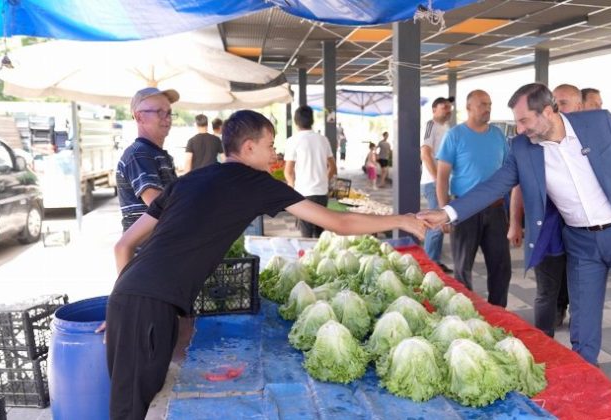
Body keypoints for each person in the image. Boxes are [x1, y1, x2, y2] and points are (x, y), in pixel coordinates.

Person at [101, 110, 426, 419]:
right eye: (270, 145)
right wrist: (405, 220)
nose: (274, 153)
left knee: (140, 401)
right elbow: (336, 222)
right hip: (148, 306)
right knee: (130, 411)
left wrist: (122, 305)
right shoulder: (255, 182)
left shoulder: (188, 181)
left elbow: (123, 245)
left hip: (133, 297)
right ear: (248, 147)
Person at [418, 83, 611, 411]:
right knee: (583, 332)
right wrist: (447, 211)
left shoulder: (601, 122)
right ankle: (585, 404)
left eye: (524, 121)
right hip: (581, 244)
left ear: (549, 111)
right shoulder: (523, 147)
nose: (518, 129)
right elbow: (494, 184)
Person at [508, 83, 583, 336]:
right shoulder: (530, 143)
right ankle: (544, 342)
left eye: (562, 103)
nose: (556, 107)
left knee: (581, 290)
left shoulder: (587, 141)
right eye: (554, 102)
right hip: (548, 232)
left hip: (582, 234)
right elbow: (515, 185)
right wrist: (514, 223)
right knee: (546, 291)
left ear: (578, 107)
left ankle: (583, 347)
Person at [436, 89, 511, 307]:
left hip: (496, 210)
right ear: (468, 108)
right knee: (462, 267)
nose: (487, 108)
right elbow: (442, 177)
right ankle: (465, 312)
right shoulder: (455, 135)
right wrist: (443, 212)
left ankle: (499, 311)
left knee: (501, 266)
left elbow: (509, 171)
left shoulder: (498, 136)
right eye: (482, 104)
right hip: (464, 209)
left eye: (489, 104)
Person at [116, 87, 180, 232]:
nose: (167, 118)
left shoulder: (159, 155)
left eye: (169, 112)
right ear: (139, 117)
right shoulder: (138, 154)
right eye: (159, 112)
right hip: (149, 251)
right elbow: (159, 206)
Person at [284, 105, 337, 238]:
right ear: (312, 121)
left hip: (304, 194)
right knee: (320, 235)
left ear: (296, 122)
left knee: (306, 236)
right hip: (322, 194)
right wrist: (324, 180)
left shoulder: (292, 141)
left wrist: (292, 187)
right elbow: (333, 168)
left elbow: (288, 172)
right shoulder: (323, 139)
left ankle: (308, 258)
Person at [420, 97, 454, 273]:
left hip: (443, 183)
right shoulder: (430, 125)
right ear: (434, 110)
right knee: (436, 224)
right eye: (444, 108)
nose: (448, 110)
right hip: (433, 183)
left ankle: (434, 261)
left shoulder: (446, 128)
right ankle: (428, 265)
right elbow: (425, 154)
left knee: (441, 223)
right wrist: (437, 179)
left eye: (449, 108)